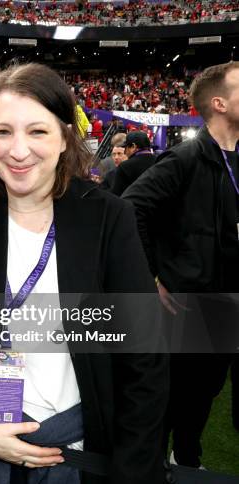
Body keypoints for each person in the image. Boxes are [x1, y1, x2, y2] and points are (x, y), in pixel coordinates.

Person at [0, 63, 169, 484]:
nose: (18, 151)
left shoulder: (108, 218)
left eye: (37, 131)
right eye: (2, 132)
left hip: (86, 456)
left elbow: (144, 360)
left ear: (64, 137)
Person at [123, 61, 239, 470]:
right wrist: (149, 276)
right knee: (173, 398)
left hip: (227, 303)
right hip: (190, 303)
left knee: (205, 394)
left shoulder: (235, 157)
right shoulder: (186, 157)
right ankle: (157, 465)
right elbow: (130, 207)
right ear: (220, 103)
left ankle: (187, 458)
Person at [110, 130, 156, 196]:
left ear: (133, 147)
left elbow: (116, 196)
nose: (125, 151)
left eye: (126, 147)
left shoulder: (125, 167)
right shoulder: (160, 161)